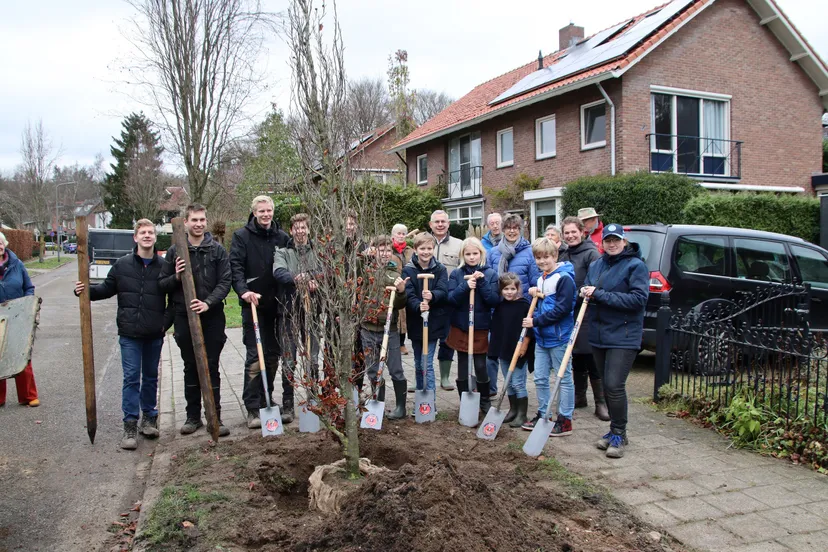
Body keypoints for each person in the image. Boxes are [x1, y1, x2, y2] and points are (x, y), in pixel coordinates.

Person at [73, 220, 166, 450]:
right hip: (129, 333)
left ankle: (149, 419)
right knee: (132, 377)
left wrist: (165, 323)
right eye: (142, 232)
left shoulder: (164, 266)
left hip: (154, 333)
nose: (147, 236)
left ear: (155, 237)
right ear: (135, 238)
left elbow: (174, 296)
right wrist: (84, 291)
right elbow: (106, 289)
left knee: (151, 377)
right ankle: (130, 426)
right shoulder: (123, 265)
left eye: (150, 232)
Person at [158, 204, 232, 436]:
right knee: (190, 366)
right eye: (194, 220)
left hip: (212, 316)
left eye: (202, 220)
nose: (199, 224)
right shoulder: (175, 252)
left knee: (211, 365)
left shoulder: (217, 250)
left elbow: (225, 282)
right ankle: (193, 417)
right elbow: (162, 284)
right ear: (186, 222)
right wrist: (177, 276)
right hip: (183, 316)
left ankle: (215, 417)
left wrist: (208, 302)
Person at [582, 224, 649, 459]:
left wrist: (598, 294)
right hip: (599, 334)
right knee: (605, 384)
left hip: (624, 335)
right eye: (608, 240)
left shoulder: (635, 266)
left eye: (616, 240)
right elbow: (588, 286)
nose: (611, 244)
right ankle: (614, 430)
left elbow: (638, 300)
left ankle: (619, 433)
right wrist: (585, 292)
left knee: (614, 385)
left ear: (624, 241)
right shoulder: (597, 264)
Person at [229, 195, 290, 429]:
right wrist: (244, 292)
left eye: (269, 210)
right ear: (253, 212)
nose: (265, 214)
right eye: (261, 211)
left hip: (277, 307)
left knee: (273, 356)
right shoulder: (241, 237)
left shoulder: (282, 238)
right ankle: (252, 407)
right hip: (253, 306)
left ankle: (267, 397)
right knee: (256, 357)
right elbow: (236, 268)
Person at [521, 238, 577, 438]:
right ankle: (543, 413)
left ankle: (565, 419)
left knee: (563, 378)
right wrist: (536, 291)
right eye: (538, 258)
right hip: (542, 337)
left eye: (546, 257)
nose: (542, 261)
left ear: (555, 256)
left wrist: (535, 322)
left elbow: (562, 309)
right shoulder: (542, 278)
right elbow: (545, 302)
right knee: (540, 378)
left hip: (559, 336)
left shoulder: (564, 279)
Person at [559, 216, 608, 421]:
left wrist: (582, 291)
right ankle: (579, 397)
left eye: (573, 232)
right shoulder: (562, 253)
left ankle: (601, 402)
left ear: (582, 232)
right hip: (567, 311)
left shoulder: (591, 254)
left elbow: (596, 280)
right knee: (574, 354)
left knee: (590, 355)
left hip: (587, 311)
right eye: (567, 233)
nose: (570, 236)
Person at [486, 214, 540, 395]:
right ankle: (506, 396)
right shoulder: (494, 252)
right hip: (500, 312)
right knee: (500, 354)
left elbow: (534, 282)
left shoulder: (529, 252)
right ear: (503, 230)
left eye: (515, 227)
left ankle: (519, 398)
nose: (511, 231)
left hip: (519, 311)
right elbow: (491, 281)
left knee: (518, 355)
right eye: (508, 227)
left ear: (520, 229)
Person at [357, 235, 409, 419]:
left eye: (388, 250)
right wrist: (363, 255)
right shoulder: (363, 271)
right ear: (374, 251)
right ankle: (377, 404)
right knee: (372, 369)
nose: (385, 254)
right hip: (368, 329)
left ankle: (401, 408)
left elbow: (400, 304)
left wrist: (402, 291)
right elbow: (351, 267)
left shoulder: (394, 275)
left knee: (396, 369)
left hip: (390, 330)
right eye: (381, 250)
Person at [447, 237, 499, 413]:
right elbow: (451, 298)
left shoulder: (490, 274)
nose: (471, 257)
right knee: (462, 364)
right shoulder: (456, 274)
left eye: (475, 253)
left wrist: (482, 282)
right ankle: (464, 399)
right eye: (468, 254)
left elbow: (493, 300)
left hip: (480, 326)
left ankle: (484, 399)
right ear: (462, 255)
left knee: (480, 365)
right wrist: (465, 286)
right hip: (461, 325)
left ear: (481, 254)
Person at [273, 213, 322, 400]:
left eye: (304, 227)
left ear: (308, 230)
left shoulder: (317, 252)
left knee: (312, 356)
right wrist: (296, 279)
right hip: (288, 312)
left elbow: (324, 270)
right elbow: (279, 272)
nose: (300, 231)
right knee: (288, 359)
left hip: (312, 312)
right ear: (291, 231)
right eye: (296, 228)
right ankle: (287, 402)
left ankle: (313, 395)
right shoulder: (282, 252)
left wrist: (312, 277)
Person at [402, 233, 449, 406]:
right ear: (415, 249)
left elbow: (444, 290)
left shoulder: (440, 269)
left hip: (433, 323)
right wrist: (417, 305)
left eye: (429, 248)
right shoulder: (409, 270)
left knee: (427, 363)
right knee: (418, 363)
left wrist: (433, 295)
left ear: (433, 249)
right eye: (422, 248)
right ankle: (421, 401)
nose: (426, 252)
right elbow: (408, 293)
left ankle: (430, 402)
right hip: (416, 323)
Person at [0, 231, 39, 408]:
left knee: (22, 354)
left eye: (0, 243)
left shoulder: (17, 264)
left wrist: (27, 307)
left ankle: (28, 396)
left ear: (5, 244)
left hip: (18, 315)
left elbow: (28, 287)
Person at [488, 273, 531, 428]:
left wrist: (524, 345)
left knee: (518, 382)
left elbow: (529, 330)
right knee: (508, 381)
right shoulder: (500, 306)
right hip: (504, 350)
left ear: (518, 289)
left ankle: (522, 414)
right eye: (506, 289)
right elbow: (497, 329)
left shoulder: (524, 305)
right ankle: (513, 410)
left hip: (518, 350)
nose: (509, 292)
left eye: (512, 289)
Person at [428, 210, 462, 391]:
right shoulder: (423, 243)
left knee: (447, 339)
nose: (440, 224)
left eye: (443, 221)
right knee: (425, 338)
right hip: (428, 300)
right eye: (436, 222)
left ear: (448, 224)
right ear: (430, 224)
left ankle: (445, 376)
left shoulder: (459, 245)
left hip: (449, 300)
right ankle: (424, 375)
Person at [391, 224, 414, 356]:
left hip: (408, 284)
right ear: (393, 234)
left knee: (404, 315)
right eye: (398, 233)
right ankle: (394, 342)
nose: (400, 236)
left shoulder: (409, 250)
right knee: (396, 314)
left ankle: (402, 343)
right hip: (393, 283)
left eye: (403, 233)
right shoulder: (389, 249)